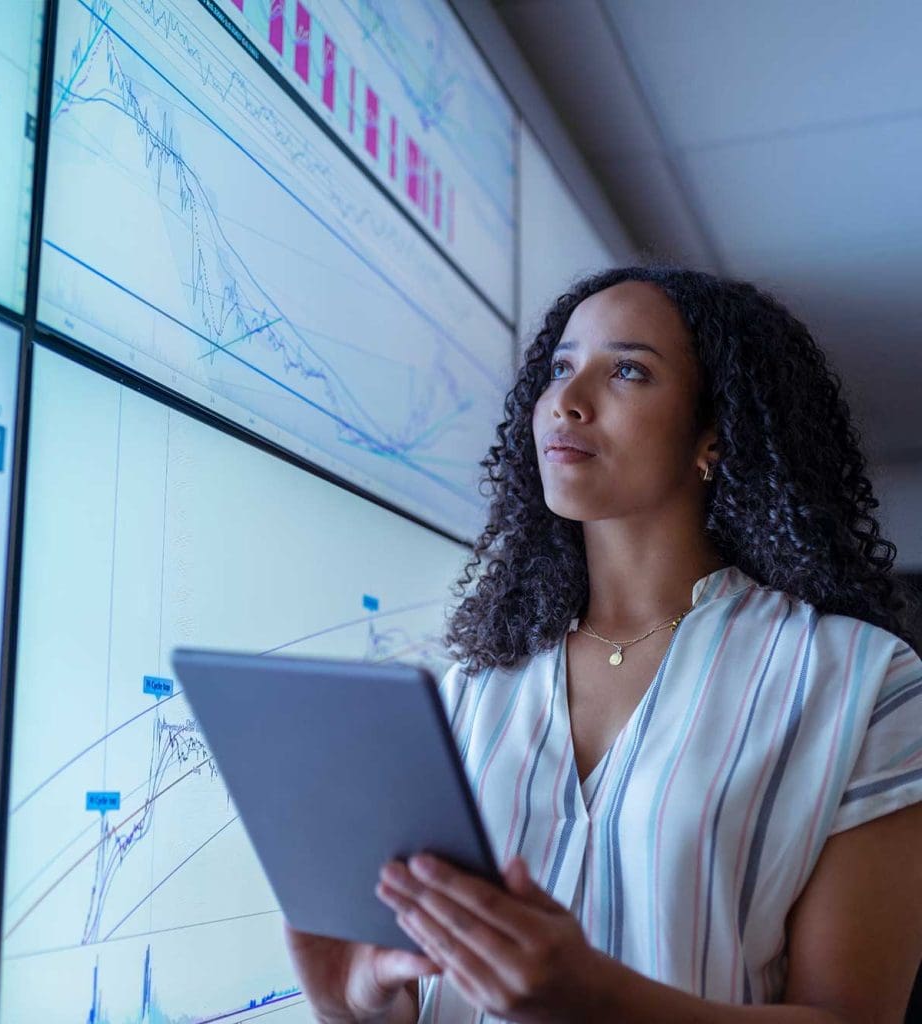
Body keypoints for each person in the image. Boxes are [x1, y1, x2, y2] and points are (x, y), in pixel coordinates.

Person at [284, 266, 922, 1022]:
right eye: (560, 367)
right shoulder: (469, 691)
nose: (567, 400)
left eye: (627, 370)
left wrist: (600, 1000)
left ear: (715, 433)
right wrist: (357, 1006)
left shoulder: (860, 679)